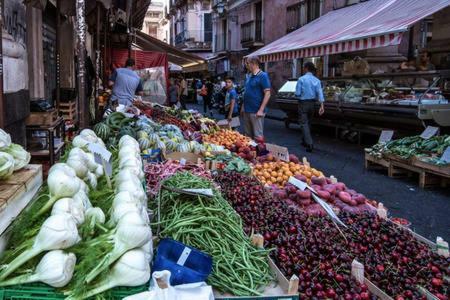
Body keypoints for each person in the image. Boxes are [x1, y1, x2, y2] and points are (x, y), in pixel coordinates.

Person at [295, 62, 325, 152]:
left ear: (306, 68)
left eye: (304, 67)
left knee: (304, 123)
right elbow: (320, 93)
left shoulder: (301, 79)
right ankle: (304, 140)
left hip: (303, 103)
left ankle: (309, 143)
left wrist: (297, 95)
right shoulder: (317, 80)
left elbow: (297, 93)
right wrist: (322, 106)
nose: (303, 69)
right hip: (313, 104)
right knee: (308, 123)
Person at [242, 56, 271, 139]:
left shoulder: (263, 76)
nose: (246, 65)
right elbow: (247, 92)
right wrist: (243, 107)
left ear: (253, 64)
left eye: (247, 63)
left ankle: (259, 152)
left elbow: (268, 93)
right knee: (247, 136)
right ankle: (250, 152)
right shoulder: (249, 76)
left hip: (256, 111)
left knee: (258, 137)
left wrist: (261, 110)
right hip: (247, 110)